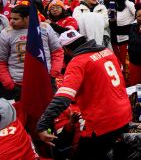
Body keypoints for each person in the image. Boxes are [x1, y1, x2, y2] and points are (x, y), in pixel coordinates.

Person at [37, 29, 132, 160]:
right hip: (124, 113)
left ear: (66, 49)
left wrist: (43, 124)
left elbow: (63, 98)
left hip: (102, 122)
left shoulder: (77, 62)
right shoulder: (107, 52)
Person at [0, 5, 63, 100]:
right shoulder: (6, 33)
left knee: (48, 112)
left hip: (45, 80)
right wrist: (9, 84)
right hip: (18, 83)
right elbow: (1, 61)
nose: (11, 21)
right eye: (10, 18)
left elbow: (57, 52)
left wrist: (53, 74)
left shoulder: (45, 28)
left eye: (16, 19)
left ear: (27, 18)